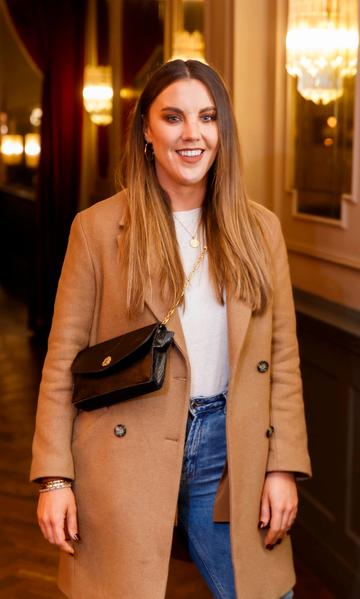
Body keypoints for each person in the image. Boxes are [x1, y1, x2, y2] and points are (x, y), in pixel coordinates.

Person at [31, 59, 311, 599]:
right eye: (173, 117)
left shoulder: (260, 230)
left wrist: (283, 467)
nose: (192, 135)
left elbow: (283, 358)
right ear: (146, 130)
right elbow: (63, 360)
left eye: (207, 118)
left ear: (222, 129)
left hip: (230, 449)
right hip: (123, 450)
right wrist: (55, 478)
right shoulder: (96, 230)